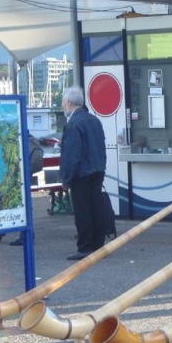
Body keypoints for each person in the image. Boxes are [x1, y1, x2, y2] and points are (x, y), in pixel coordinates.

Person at [60, 86, 107, 261]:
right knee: (96, 208)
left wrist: (66, 178)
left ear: (70, 102)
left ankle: (85, 247)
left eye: (64, 102)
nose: (63, 105)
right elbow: (101, 146)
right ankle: (98, 245)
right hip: (97, 170)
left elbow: (72, 155)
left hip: (81, 173)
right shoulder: (94, 120)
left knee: (83, 211)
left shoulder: (73, 124)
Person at [0, 133, 44, 245]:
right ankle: (25, 233)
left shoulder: (15, 139)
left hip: (16, 176)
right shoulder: (31, 138)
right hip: (25, 175)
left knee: (9, 201)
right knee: (22, 203)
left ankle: (4, 232)